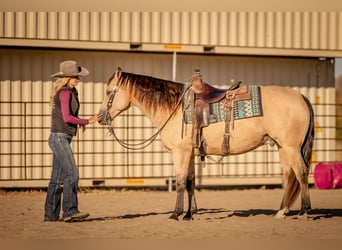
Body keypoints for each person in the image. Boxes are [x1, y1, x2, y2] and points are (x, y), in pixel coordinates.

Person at [44, 60, 102, 222]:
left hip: (59, 137)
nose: (78, 78)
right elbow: (66, 117)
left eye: (78, 76)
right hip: (60, 138)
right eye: (75, 76)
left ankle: (51, 215)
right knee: (72, 174)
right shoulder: (65, 93)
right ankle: (70, 211)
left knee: (56, 180)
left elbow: (68, 117)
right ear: (67, 78)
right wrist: (87, 121)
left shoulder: (68, 91)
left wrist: (82, 122)